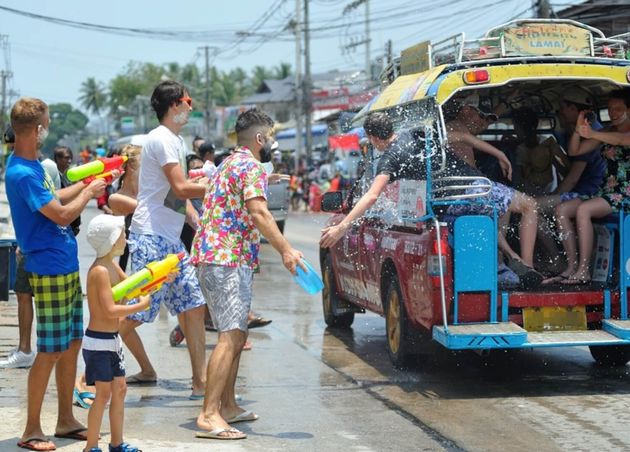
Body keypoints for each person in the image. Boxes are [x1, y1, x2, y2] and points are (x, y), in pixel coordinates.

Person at [191, 108, 305, 440]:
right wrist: (286, 249)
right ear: (259, 139)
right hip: (224, 259)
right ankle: (209, 414)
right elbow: (258, 211)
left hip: (222, 257)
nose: (271, 143)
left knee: (237, 335)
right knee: (229, 337)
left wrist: (265, 179)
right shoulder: (250, 167)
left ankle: (227, 405)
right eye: (269, 137)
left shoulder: (231, 162)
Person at [5, 97, 107, 451]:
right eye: (45, 124)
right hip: (46, 268)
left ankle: (65, 419)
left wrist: (87, 182)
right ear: (36, 130)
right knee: (48, 351)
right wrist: (91, 193)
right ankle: (32, 429)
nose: (47, 129)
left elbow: (56, 198)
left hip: (62, 266)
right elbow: (61, 215)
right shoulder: (20, 171)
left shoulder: (32, 167)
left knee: (70, 345)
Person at [119, 81, 207, 400]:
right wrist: (222, 186)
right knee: (137, 314)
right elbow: (181, 188)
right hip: (152, 238)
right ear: (174, 105)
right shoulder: (163, 139)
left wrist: (193, 218)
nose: (191, 107)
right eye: (188, 101)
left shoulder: (173, 140)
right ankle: (92, 367)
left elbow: (173, 194)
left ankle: (200, 383)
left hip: (170, 241)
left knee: (194, 307)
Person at [444, 101, 543, 288]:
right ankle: (527, 266)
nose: (483, 120)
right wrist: (500, 154)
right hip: (470, 190)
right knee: (529, 204)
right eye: (479, 113)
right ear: (466, 109)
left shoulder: (455, 129)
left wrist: (509, 101)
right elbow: (466, 136)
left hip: (468, 192)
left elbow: (482, 126)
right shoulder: (455, 128)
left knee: (501, 211)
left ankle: (504, 263)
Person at [83, 215, 151, 452]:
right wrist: (139, 307)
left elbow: (132, 286)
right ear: (111, 240)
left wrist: (159, 278)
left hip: (113, 340)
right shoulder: (99, 271)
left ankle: (116, 443)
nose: (125, 237)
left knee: (120, 390)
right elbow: (110, 310)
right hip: (98, 342)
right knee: (102, 394)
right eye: (121, 234)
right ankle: (91, 446)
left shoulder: (113, 265)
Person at [554, 90, 630, 284]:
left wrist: (592, 132)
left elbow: (622, 141)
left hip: (625, 193)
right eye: (610, 109)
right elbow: (575, 150)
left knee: (583, 210)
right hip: (606, 192)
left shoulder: (613, 133)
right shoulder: (605, 131)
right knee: (561, 210)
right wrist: (579, 130)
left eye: (618, 109)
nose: (612, 113)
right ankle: (572, 266)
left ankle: (584, 270)